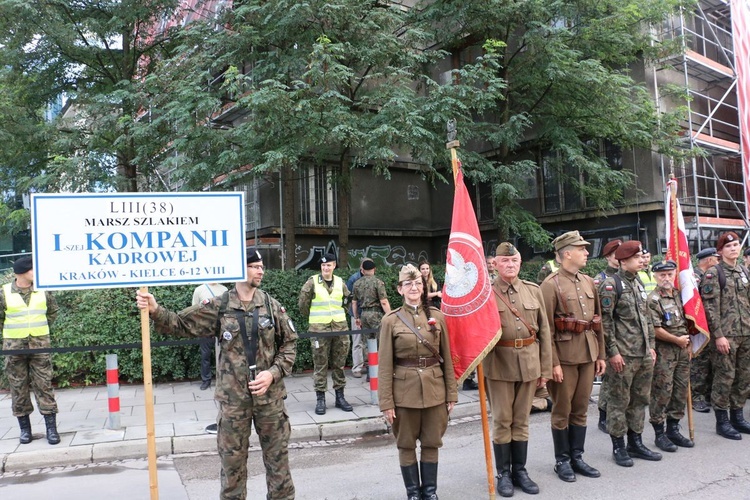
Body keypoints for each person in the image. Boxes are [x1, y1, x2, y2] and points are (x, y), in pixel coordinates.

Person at [135, 248, 297, 500]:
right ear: (240, 269)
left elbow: (290, 343)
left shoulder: (270, 305)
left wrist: (273, 373)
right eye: (255, 266)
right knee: (232, 470)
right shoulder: (220, 306)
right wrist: (156, 310)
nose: (261, 270)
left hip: (270, 400)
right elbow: (181, 324)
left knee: (279, 467)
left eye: (261, 266)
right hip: (234, 403)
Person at [378, 264, 457, 500]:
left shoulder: (437, 317)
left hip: (435, 389)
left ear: (424, 287)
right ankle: (413, 493)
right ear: (399, 289)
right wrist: (386, 403)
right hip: (404, 393)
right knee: (406, 445)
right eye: (408, 284)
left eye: (418, 284)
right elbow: (385, 365)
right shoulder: (390, 321)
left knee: (432, 442)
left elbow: (448, 359)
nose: (414, 288)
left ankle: (430, 493)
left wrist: (451, 393)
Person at [485, 242, 552, 497]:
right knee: (503, 421)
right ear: (496, 264)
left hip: (529, 364)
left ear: (520, 263)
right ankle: (503, 473)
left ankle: (520, 471)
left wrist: (545, 368)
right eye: (505, 261)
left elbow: (544, 331)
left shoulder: (533, 291)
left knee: (522, 421)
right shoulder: (487, 293)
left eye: (514, 261)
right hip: (499, 365)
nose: (510, 265)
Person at [540, 231, 606, 482]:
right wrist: (553, 363)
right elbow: (546, 328)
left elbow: (597, 322)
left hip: (588, 354)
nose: (587, 253)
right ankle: (562, 461)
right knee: (562, 410)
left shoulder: (588, 281)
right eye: (582, 249)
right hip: (564, 358)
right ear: (567, 253)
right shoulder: (550, 284)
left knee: (580, 408)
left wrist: (600, 354)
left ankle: (577, 457)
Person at [599, 240, 660, 467]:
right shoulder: (610, 285)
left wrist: (651, 346)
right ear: (624, 261)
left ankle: (636, 442)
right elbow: (605, 323)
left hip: (643, 354)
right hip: (623, 355)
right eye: (636, 258)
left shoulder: (639, 284)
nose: (641, 261)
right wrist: (613, 352)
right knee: (619, 401)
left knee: (639, 400)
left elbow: (647, 319)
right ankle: (619, 446)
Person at [1, 255, 61, 445]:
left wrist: (40, 332)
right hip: (14, 349)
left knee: (44, 386)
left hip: (40, 347)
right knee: (18, 388)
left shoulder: (43, 290)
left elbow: (52, 312)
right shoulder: (3, 293)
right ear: (21, 273)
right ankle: (25, 430)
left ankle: (51, 429)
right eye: (32, 270)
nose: (36, 273)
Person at [700, 232, 750, 440]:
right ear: (720, 251)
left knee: (743, 377)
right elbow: (710, 308)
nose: (734, 248)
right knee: (724, 377)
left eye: (736, 245)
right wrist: (719, 336)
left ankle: (737, 416)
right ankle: (722, 421)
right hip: (726, 335)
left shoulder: (743, 271)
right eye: (728, 246)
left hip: (745, 332)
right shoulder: (714, 273)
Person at [646, 260, 695, 452]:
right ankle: (660, 434)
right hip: (665, 352)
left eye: (669, 274)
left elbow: (688, 321)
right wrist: (677, 340)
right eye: (662, 275)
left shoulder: (680, 295)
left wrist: (688, 344)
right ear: (655, 277)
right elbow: (655, 329)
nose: (666, 278)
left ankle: (673, 429)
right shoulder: (653, 299)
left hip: (683, 350)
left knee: (680, 390)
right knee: (662, 392)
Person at [298, 252, 353, 415]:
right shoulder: (312, 282)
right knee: (320, 365)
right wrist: (313, 318)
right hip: (319, 330)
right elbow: (303, 304)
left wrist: (341, 314)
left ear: (334, 266)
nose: (326, 268)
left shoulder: (340, 282)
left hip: (340, 328)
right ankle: (320, 399)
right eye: (323, 266)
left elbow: (346, 300)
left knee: (339, 364)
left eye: (328, 265)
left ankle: (340, 397)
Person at [593, 239, 622, 433]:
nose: (620, 258)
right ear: (608, 257)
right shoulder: (601, 279)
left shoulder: (628, 278)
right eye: (616, 255)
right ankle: (603, 416)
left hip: (629, 337)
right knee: (610, 380)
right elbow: (599, 313)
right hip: (610, 336)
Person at [690, 247, 719, 413]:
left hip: (710, 325)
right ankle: (697, 396)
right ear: (709, 260)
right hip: (698, 327)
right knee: (699, 363)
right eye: (716, 259)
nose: (717, 262)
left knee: (709, 361)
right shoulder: (695, 277)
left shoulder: (711, 275)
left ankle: (707, 394)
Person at [351, 259, 391, 378]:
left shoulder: (357, 283)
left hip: (363, 315)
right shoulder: (378, 283)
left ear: (362, 270)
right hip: (376, 314)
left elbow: (354, 302)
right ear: (374, 269)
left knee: (367, 342)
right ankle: (378, 370)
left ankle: (369, 369)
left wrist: (356, 317)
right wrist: (390, 315)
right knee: (380, 342)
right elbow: (383, 302)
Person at [193, 283, 229, 391]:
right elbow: (194, 309)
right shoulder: (199, 290)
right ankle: (206, 380)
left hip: (222, 327)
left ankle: (224, 380)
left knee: (226, 354)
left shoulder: (224, 289)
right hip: (205, 328)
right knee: (205, 355)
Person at [347, 259, 369, 378]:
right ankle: (357, 368)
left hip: (367, 314)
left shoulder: (371, 278)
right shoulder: (353, 279)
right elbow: (349, 298)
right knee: (357, 341)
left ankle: (367, 365)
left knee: (368, 342)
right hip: (357, 314)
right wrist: (356, 316)